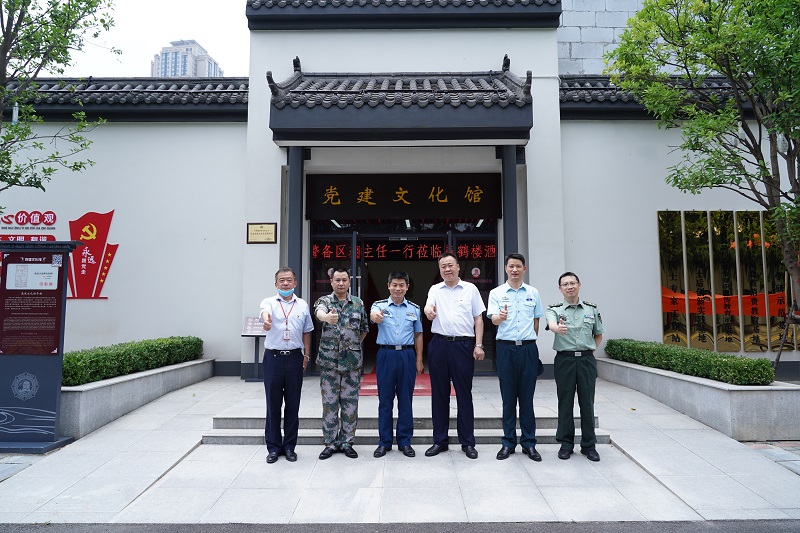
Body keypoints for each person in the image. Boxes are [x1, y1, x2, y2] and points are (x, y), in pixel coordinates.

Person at [423, 252, 486, 459]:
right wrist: (428, 311)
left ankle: (467, 443)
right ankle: (439, 441)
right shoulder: (435, 289)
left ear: (458, 267)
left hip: (463, 345)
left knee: (464, 394)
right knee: (439, 394)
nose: (447, 269)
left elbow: (478, 319)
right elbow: (428, 306)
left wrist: (478, 345)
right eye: (443, 266)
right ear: (440, 269)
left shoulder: (470, 289)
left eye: (450, 265)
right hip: (439, 344)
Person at [486, 253, 544, 461]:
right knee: (508, 399)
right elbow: (493, 319)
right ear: (505, 268)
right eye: (511, 266)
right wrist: (499, 317)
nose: (514, 270)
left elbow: (536, 321)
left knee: (527, 399)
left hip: (528, 349)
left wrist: (529, 341)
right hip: (506, 349)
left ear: (524, 269)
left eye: (518, 266)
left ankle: (529, 444)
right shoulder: (496, 293)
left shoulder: (533, 292)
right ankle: (508, 443)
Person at [545, 272, 605, 462]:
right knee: (565, 402)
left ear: (579, 285)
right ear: (560, 288)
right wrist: (557, 328)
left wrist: (589, 351)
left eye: (572, 283)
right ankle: (566, 444)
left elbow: (598, 334)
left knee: (587, 403)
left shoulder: (591, 309)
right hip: (565, 361)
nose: (569, 286)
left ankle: (589, 445)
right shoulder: (554, 309)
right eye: (565, 284)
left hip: (586, 360)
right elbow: (551, 324)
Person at [259, 267, 314, 464]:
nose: (285, 283)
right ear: (276, 284)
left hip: (294, 358)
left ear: (295, 283)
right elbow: (264, 314)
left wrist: (306, 355)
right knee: (273, 405)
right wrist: (266, 321)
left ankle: (290, 446)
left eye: (289, 280)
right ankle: (273, 447)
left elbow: (307, 331)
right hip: (273, 359)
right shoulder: (269, 302)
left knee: (293, 405)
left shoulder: (302, 305)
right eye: (281, 280)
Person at [314, 267, 369, 460]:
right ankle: (330, 443)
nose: (341, 283)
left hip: (352, 364)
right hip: (329, 363)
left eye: (344, 280)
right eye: (337, 280)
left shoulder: (358, 303)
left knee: (350, 405)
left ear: (349, 282)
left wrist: (351, 346)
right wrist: (327, 318)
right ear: (331, 282)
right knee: (329, 404)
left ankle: (347, 442)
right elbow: (319, 313)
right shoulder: (325, 301)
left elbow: (364, 329)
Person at [370, 271, 424, 458]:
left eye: (402, 285)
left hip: (407, 355)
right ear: (388, 286)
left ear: (407, 287)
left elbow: (418, 334)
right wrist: (375, 317)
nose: (398, 288)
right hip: (386, 354)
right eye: (394, 284)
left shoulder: (414, 309)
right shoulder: (379, 306)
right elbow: (373, 315)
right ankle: (384, 442)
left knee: (405, 400)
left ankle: (405, 441)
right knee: (385, 400)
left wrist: (419, 359)